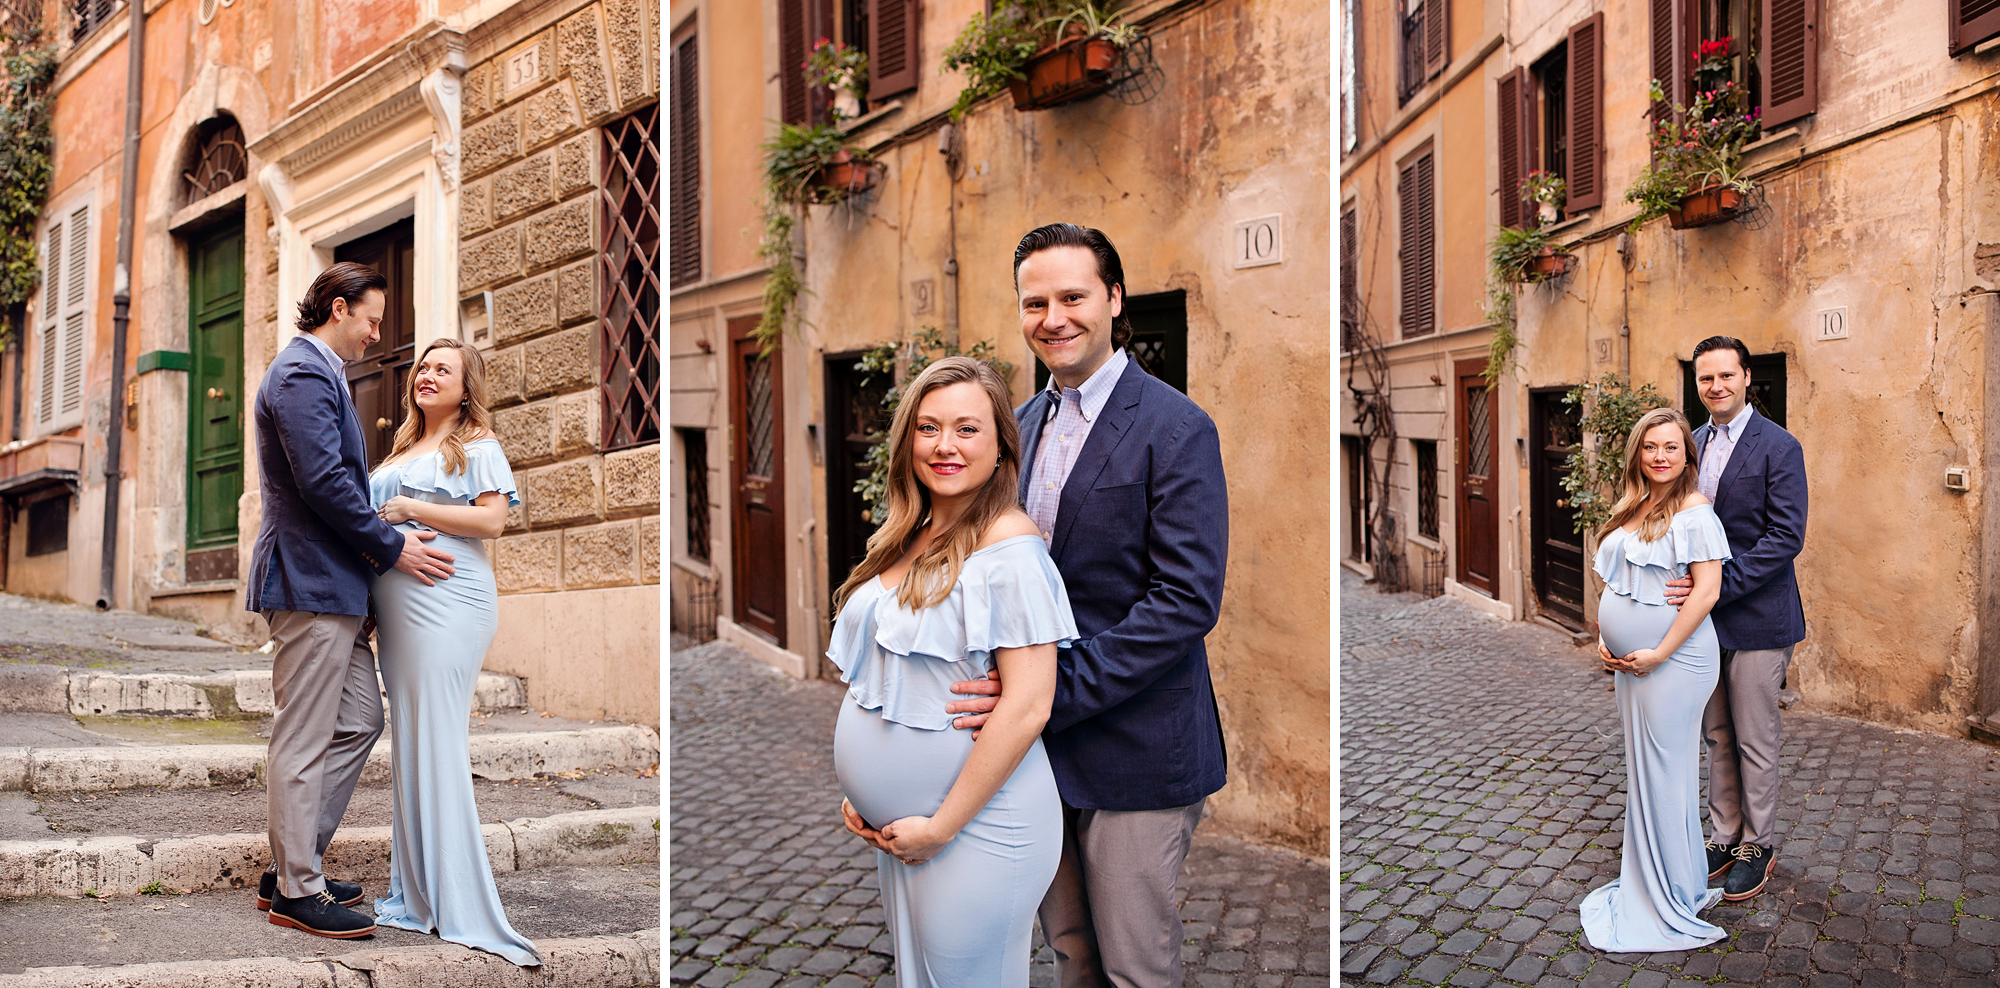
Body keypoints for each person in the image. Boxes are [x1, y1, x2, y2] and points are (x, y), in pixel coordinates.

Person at [931, 223, 1231, 987]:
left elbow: (1186, 601)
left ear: (1114, 299)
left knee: (1135, 965)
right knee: (1071, 950)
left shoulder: (1178, 426)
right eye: (1036, 302)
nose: (1053, 317)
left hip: (1139, 743)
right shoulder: (1016, 428)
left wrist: (1048, 691)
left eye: (1073, 296)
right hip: (1036, 753)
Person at [828, 356, 1075, 987]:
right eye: (928, 427)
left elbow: (1028, 704)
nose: (945, 446)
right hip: (909, 826)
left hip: (979, 826)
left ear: (1000, 448)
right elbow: (889, 678)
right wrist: (867, 790)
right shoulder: (907, 533)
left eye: (967, 429)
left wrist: (940, 827)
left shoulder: (1008, 545)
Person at [247, 262, 456, 939]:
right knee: (303, 737)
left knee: (360, 718)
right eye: (370, 319)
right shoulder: (302, 373)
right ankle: (296, 892)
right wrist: (393, 551)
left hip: (335, 586)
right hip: (307, 581)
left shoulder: (321, 374)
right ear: (338, 308)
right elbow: (325, 485)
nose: (375, 334)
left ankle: (293, 863)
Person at [366, 337, 542, 966]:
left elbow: (494, 522)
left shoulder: (478, 446)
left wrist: (412, 507)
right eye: (423, 366)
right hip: (398, 610)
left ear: (467, 387)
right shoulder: (398, 447)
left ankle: (458, 899)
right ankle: (419, 893)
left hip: (449, 601)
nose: (427, 374)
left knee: (436, 739)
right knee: (411, 739)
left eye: (443, 368)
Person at [1579, 407, 1732, 952]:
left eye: (1671, 447)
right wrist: (1605, 635)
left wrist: (1659, 653)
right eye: (1651, 447)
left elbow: (1707, 592)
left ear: (1686, 455)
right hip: (1632, 663)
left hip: (1676, 662)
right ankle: (1681, 881)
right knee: (1646, 774)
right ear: (1637, 454)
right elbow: (1618, 579)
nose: (1660, 456)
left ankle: (1664, 897)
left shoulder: (1695, 512)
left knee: (1663, 775)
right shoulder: (1635, 504)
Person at [1664, 335, 1808, 901]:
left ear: (1747, 378)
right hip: (1704, 621)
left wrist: (1714, 587)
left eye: (1726, 376)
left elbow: (1785, 537)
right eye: (1705, 379)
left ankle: (1759, 843)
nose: (1716, 387)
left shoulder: (1780, 446)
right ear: (1697, 385)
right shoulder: (1690, 445)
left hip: (1760, 616)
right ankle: (1724, 836)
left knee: (1754, 736)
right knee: (1717, 734)